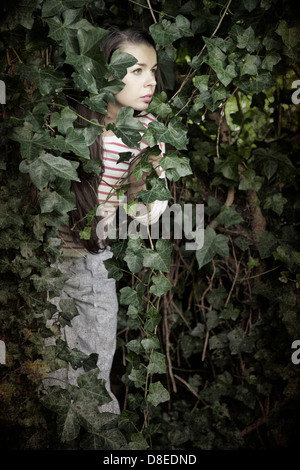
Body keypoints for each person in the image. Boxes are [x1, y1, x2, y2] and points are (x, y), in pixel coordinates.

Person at [43, 26, 168, 414]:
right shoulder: (64, 122)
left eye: (153, 70)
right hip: (39, 263)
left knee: (92, 387)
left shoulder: (148, 135)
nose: (150, 81)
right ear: (103, 72)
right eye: (137, 71)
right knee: (45, 380)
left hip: (90, 264)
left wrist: (140, 182)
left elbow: (148, 216)